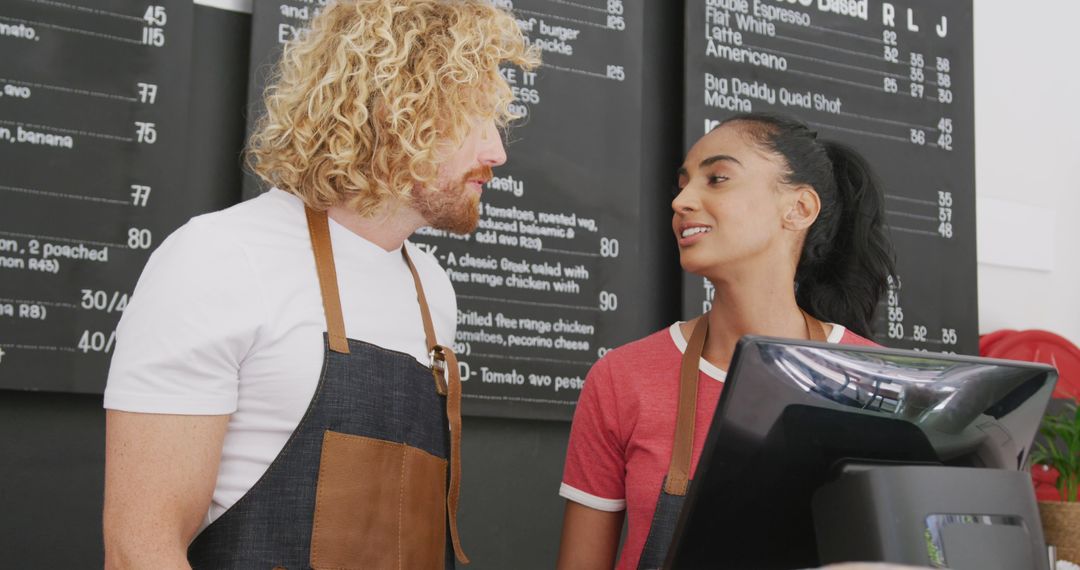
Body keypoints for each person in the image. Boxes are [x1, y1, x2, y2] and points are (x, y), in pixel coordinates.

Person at [102, 2, 538, 568]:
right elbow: (140, 550)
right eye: (474, 118)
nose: (496, 152)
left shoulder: (432, 290)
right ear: (394, 111)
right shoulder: (220, 258)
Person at [556, 112, 896, 569]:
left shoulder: (876, 381)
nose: (681, 201)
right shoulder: (622, 377)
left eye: (717, 179)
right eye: (682, 184)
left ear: (799, 209)